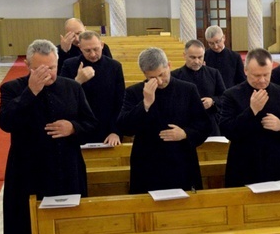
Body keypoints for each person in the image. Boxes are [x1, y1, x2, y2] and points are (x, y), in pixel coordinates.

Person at [0, 39, 98, 234]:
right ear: (28, 66)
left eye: (52, 67)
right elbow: (5, 122)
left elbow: (91, 124)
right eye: (41, 69)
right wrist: (31, 91)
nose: (48, 74)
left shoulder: (72, 87)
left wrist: (73, 128)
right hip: (28, 175)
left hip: (67, 171)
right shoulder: (12, 89)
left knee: (69, 231)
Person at [117, 47, 213, 194]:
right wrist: (145, 104)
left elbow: (204, 125)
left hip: (181, 161)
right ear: (144, 74)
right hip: (148, 165)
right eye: (152, 78)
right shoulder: (134, 92)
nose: (160, 81)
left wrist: (185, 133)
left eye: (162, 74)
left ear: (169, 65)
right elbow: (125, 127)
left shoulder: (188, 90)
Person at [219, 48, 280, 187]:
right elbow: (227, 131)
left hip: (276, 164)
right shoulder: (231, 95)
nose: (262, 80)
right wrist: (252, 111)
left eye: (266, 74)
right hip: (244, 165)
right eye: (257, 75)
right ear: (246, 71)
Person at [61, 30, 125, 146]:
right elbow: (62, 99)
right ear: (80, 48)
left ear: (102, 45)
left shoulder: (114, 67)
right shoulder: (69, 65)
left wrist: (115, 131)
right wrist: (77, 81)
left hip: (107, 128)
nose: (93, 54)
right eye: (87, 50)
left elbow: (120, 102)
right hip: (79, 128)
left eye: (96, 49)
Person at [171, 39, 226, 137]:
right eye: (192, 57)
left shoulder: (214, 73)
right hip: (186, 125)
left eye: (200, 57)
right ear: (184, 55)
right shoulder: (175, 76)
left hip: (210, 123)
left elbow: (224, 97)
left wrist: (212, 100)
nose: (197, 61)